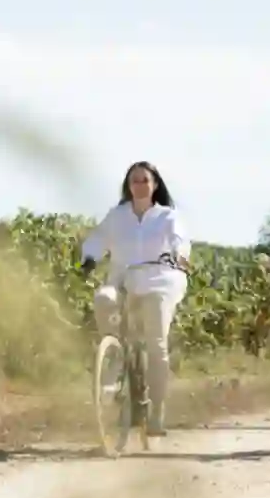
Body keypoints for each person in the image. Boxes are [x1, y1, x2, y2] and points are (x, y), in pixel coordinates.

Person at [79, 161, 191, 437]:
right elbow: (97, 238)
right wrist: (90, 257)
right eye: (134, 181)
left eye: (145, 180)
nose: (139, 185)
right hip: (124, 278)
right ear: (128, 186)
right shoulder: (117, 216)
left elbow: (179, 239)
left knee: (156, 345)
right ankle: (114, 355)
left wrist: (179, 254)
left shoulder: (167, 216)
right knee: (104, 298)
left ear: (155, 185)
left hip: (160, 280)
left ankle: (156, 413)